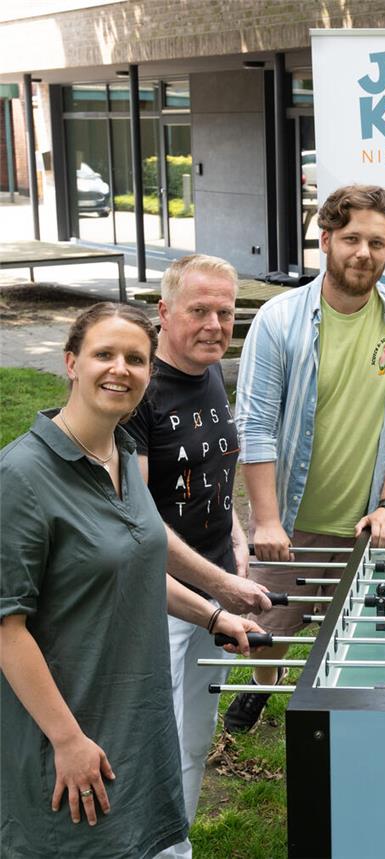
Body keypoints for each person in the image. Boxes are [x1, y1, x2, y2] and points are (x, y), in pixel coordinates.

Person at [0, 303, 263, 857]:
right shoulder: (21, 476)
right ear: (71, 363)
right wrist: (68, 741)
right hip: (69, 731)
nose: (121, 369)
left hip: (136, 722)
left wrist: (214, 613)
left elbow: (139, 565)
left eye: (136, 359)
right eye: (104, 354)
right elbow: (7, 630)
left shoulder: (120, 453)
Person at [228, 184, 385, 732]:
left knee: (365, 643)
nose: (364, 253)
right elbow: (254, 425)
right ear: (325, 240)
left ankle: (354, 728)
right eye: (351, 239)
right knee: (268, 632)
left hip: (369, 523)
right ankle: (260, 689)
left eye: (377, 241)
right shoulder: (279, 319)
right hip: (290, 526)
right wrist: (268, 519)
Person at [124, 254, 273, 858]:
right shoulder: (138, 395)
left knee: (193, 738)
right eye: (199, 311)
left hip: (215, 583)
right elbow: (138, 523)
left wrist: (234, 533)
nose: (216, 325)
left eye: (225, 311)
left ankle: (174, 843)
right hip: (159, 599)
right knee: (156, 739)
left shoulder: (209, 372)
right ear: (163, 312)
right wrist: (222, 587)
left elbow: (207, 468)